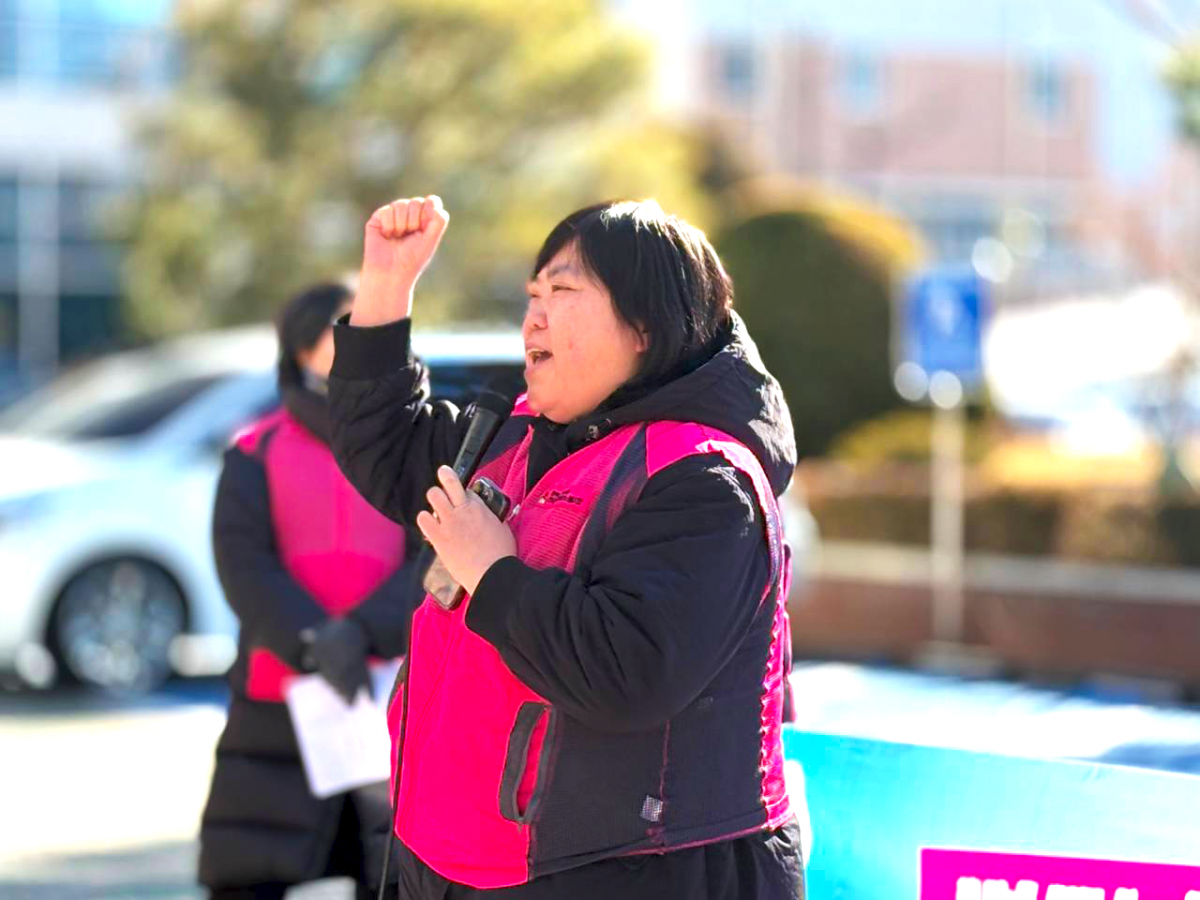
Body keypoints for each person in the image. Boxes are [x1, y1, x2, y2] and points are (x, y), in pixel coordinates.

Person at [329, 196, 807, 899]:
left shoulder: (705, 478)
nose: (534, 317)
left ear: (645, 326)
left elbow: (626, 672)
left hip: (623, 872)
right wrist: (387, 282)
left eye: (562, 291)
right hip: (444, 856)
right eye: (532, 295)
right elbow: (383, 444)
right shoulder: (513, 435)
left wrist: (492, 571)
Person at [198, 281, 417, 900]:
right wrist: (316, 642)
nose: (356, 340)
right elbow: (243, 564)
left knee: (388, 875)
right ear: (300, 349)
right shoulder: (254, 449)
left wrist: (363, 633)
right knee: (249, 874)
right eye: (341, 328)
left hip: (383, 693)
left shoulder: (407, 449)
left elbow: (431, 558)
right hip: (279, 695)